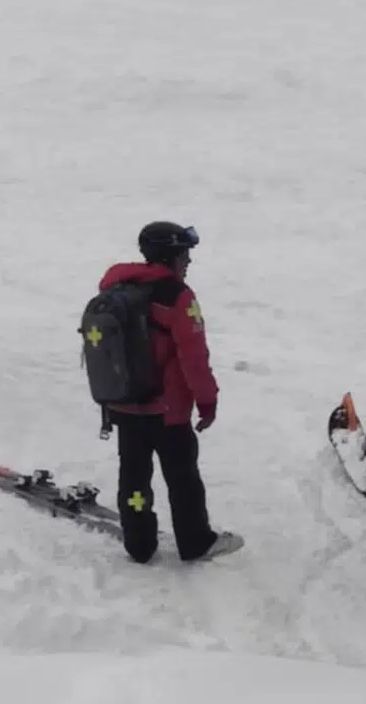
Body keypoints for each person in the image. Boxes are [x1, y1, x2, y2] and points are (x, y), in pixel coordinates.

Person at [96, 221, 242, 563]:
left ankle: (139, 544)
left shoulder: (117, 287)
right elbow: (194, 358)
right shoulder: (178, 298)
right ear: (171, 256)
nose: (188, 261)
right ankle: (195, 541)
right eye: (184, 254)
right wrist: (207, 401)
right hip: (168, 412)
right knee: (183, 480)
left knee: (133, 477)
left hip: (126, 404)